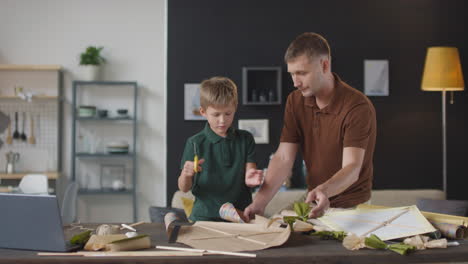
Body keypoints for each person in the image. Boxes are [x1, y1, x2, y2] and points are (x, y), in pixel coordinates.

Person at [244, 32, 377, 220]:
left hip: (352, 206)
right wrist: (258, 203)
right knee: (273, 227)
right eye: (292, 74)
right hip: (313, 199)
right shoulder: (295, 101)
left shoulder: (357, 107)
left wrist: (324, 190)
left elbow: (352, 168)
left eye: (302, 73)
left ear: (324, 65)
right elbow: (283, 158)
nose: (295, 82)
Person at [178, 76, 263, 221]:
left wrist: (252, 178)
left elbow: (250, 171)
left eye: (228, 113)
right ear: (203, 112)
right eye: (216, 114)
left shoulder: (246, 138)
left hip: (240, 216)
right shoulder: (194, 143)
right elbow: (184, 188)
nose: (222, 120)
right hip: (204, 218)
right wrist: (186, 174)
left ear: (235, 108)